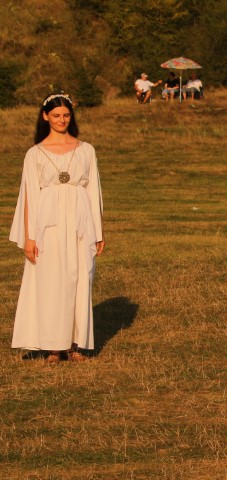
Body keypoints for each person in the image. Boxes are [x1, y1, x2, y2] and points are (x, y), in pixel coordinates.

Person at [9, 94, 105, 364]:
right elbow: (30, 196)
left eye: (66, 115)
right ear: (45, 117)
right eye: (56, 116)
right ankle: (53, 346)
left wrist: (99, 232)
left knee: (79, 278)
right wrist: (30, 237)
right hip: (48, 223)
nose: (62, 120)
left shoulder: (86, 150)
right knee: (52, 281)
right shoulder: (35, 153)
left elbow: (93, 191)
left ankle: (74, 344)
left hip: (80, 221)